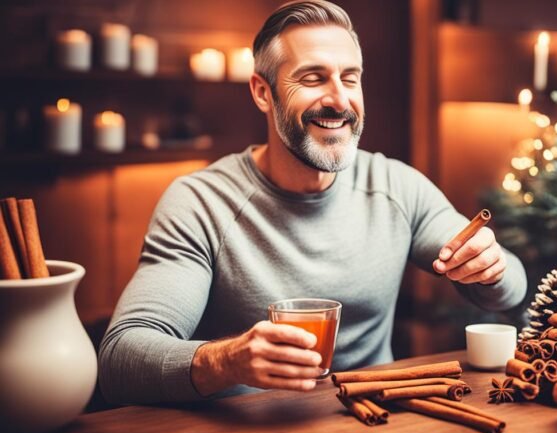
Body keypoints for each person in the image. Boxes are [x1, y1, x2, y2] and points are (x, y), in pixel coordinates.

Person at [98, 0, 527, 404]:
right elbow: (121, 357)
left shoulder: (396, 186)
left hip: (377, 423)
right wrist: (226, 361)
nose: (340, 100)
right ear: (263, 93)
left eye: (350, 77)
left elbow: (509, 290)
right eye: (312, 77)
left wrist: (490, 267)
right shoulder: (200, 203)